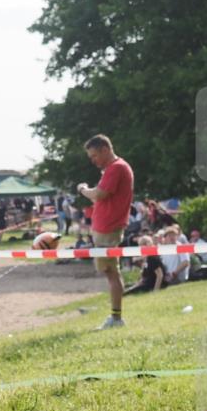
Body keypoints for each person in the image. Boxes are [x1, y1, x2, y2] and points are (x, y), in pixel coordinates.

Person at [77, 134, 134, 330]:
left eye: (94, 156)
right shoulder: (113, 169)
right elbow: (100, 197)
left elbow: (99, 194)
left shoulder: (116, 168)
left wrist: (83, 189)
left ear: (105, 149)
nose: (93, 161)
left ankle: (116, 318)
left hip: (108, 228)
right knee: (110, 272)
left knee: (111, 273)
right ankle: (115, 316)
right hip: (105, 228)